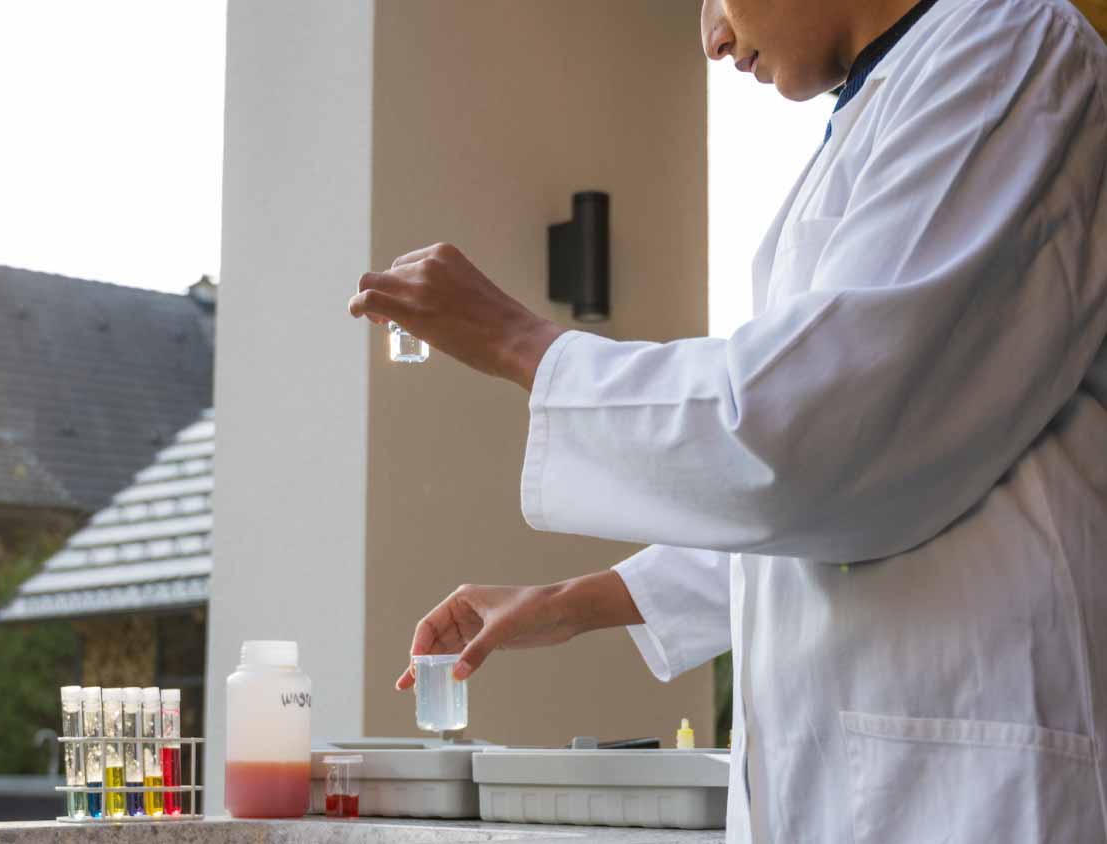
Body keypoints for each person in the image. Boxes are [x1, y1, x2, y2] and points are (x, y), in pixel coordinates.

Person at [348, 0, 1107, 841]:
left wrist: (517, 340)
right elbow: (808, 508)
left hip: (978, 784)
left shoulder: (1012, 46)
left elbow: (815, 443)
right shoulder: (878, 110)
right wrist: (569, 603)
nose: (711, 37)